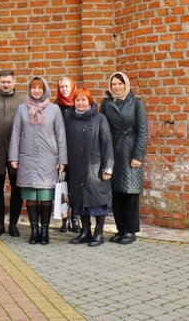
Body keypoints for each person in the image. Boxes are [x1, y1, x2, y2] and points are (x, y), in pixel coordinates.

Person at [9, 76, 67, 245]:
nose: (36, 91)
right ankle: (34, 231)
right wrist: (13, 157)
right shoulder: (22, 109)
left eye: (39, 88)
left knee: (45, 195)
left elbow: (60, 136)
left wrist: (62, 159)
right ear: (29, 90)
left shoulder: (54, 109)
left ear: (45, 90)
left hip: (48, 158)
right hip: (26, 158)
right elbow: (16, 133)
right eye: (33, 87)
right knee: (31, 195)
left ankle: (44, 231)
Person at [101, 71, 148, 245]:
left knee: (130, 192)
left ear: (126, 85)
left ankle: (130, 230)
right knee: (116, 192)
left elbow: (142, 131)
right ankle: (120, 229)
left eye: (119, 84)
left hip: (129, 150)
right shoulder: (106, 103)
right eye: (113, 84)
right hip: (113, 149)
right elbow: (103, 128)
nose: (116, 87)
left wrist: (138, 155)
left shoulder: (136, 103)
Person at [64, 88, 113, 247]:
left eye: (84, 100)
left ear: (90, 102)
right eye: (77, 100)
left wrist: (108, 167)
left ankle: (98, 233)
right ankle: (85, 231)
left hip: (95, 168)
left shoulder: (100, 118)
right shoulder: (69, 118)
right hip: (76, 168)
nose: (80, 103)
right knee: (79, 201)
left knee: (97, 201)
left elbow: (107, 143)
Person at [0, 69, 25, 238]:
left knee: (17, 190)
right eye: (3, 82)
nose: (6, 84)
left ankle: (13, 224)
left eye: (9, 82)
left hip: (16, 152)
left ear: (14, 82)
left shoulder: (22, 101)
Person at [55, 76, 81, 233]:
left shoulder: (78, 106)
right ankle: (64, 219)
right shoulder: (55, 107)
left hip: (76, 153)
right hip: (60, 154)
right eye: (62, 87)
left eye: (67, 86)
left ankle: (76, 219)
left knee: (76, 187)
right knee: (62, 187)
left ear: (72, 88)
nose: (64, 89)